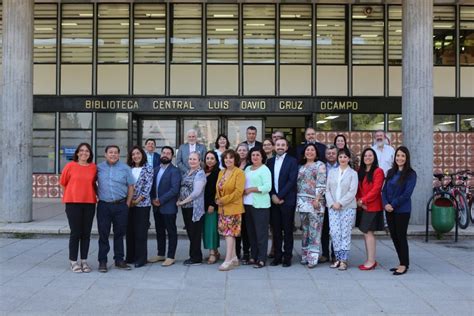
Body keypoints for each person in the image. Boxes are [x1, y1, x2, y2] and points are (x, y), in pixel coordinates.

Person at [96, 145, 135, 273]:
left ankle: (119, 260)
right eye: (110, 152)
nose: (113, 155)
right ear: (105, 154)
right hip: (104, 206)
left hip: (121, 205)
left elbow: (131, 186)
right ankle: (102, 261)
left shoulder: (125, 168)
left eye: (116, 153)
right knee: (103, 234)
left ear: (119, 155)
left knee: (119, 234)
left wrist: (128, 204)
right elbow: (91, 183)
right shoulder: (99, 168)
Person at [59, 143, 97, 273]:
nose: (84, 153)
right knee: (75, 233)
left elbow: (94, 184)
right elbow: (63, 183)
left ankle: (84, 261)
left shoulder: (93, 168)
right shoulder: (70, 166)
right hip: (73, 203)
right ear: (77, 153)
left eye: (87, 151)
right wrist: (71, 194)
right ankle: (73, 261)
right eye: (81, 150)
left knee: (86, 233)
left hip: (89, 203)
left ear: (90, 154)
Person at [382, 146, 417, 276]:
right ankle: (401, 261)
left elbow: (407, 194)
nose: (400, 158)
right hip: (389, 209)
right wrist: (385, 204)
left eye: (402, 156)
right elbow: (384, 190)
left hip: (402, 210)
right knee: (394, 236)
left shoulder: (411, 174)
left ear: (406, 158)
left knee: (401, 236)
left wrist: (393, 204)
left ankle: (404, 264)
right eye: (398, 155)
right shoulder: (391, 172)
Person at [326, 148, 358, 271]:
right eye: (340, 157)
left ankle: (343, 260)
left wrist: (340, 203)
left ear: (349, 159)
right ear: (337, 159)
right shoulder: (332, 172)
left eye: (345, 157)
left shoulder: (353, 173)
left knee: (345, 233)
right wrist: (332, 203)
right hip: (333, 207)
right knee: (334, 233)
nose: (342, 159)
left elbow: (352, 191)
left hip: (347, 207)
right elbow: (327, 189)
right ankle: (337, 259)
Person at [149, 146, 182, 267]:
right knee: (159, 231)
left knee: (171, 231)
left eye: (168, 153)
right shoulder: (156, 169)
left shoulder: (175, 171)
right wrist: (153, 199)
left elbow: (174, 189)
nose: (165, 155)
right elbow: (151, 186)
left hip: (168, 207)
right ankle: (161, 253)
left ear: (172, 156)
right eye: (164, 152)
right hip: (156, 206)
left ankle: (170, 256)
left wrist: (160, 200)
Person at [267, 138, 298, 267]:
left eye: (282, 145)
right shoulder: (270, 161)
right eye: (278, 145)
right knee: (276, 230)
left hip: (287, 200)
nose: (280, 147)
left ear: (286, 147)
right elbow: (268, 180)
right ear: (274, 147)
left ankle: (287, 257)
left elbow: (292, 181)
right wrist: (273, 195)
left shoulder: (292, 161)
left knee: (287, 230)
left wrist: (279, 196)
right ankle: (278, 256)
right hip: (274, 201)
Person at [296, 144, 326, 268]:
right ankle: (305, 255)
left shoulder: (320, 165)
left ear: (316, 153)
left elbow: (321, 183)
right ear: (304, 153)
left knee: (315, 230)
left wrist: (317, 199)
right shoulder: (301, 167)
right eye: (307, 150)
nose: (310, 152)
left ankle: (313, 258)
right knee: (305, 230)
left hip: (315, 202)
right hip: (302, 203)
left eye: (312, 150)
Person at [216, 149, 246, 271]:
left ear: (235, 160)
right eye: (226, 158)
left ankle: (228, 260)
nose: (228, 160)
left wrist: (224, 200)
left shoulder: (239, 173)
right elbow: (218, 188)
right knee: (227, 234)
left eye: (231, 158)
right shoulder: (221, 172)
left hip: (233, 208)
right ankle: (234, 258)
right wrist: (217, 199)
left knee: (229, 234)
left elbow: (239, 192)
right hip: (222, 208)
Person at [125, 146, 154, 268]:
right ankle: (130, 256)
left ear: (142, 154)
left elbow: (147, 187)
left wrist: (136, 201)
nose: (135, 156)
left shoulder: (148, 168)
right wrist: (129, 201)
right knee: (129, 231)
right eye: (133, 154)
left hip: (142, 204)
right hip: (128, 204)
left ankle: (141, 258)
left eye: (138, 153)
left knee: (140, 232)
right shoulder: (128, 168)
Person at [356, 148, 385, 271]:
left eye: (370, 155)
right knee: (365, 233)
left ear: (374, 157)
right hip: (362, 206)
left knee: (369, 233)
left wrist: (363, 200)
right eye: (365, 155)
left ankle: (371, 261)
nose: (368, 157)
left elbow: (376, 190)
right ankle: (370, 259)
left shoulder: (378, 171)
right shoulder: (360, 171)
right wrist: (359, 201)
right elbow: (356, 188)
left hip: (372, 206)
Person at [243, 147, 272, 268]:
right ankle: (253, 256)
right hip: (247, 204)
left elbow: (267, 187)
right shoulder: (247, 168)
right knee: (251, 233)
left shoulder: (265, 170)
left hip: (260, 205)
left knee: (261, 233)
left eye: (257, 155)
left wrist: (252, 189)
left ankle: (261, 258)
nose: (255, 157)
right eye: (253, 155)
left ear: (262, 157)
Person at [178, 152, 207, 266]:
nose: (192, 161)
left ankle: (196, 258)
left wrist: (183, 201)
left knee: (195, 233)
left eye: (194, 159)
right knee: (190, 232)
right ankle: (193, 255)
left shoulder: (200, 174)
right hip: (186, 208)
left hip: (194, 208)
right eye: (190, 159)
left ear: (199, 161)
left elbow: (196, 192)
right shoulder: (187, 172)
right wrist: (179, 199)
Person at [320, 144, 338, 263]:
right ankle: (325, 254)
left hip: (337, 203)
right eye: (328, 153)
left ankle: (335, 254)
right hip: (323, 202)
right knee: (324, 229)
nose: (331, 155)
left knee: (335, 230)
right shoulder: (321, 167)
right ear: (325, 155)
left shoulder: (342, 166)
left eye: (333, 153)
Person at [203, 151, 221, 264]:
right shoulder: (203, 172)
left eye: (212, 158)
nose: (209, 160)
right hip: (202, 205)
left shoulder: (218, 172)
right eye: (207, 158)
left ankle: (212, 254)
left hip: (212, 206)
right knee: (208, 229)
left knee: (211, 230)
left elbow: (217, 191)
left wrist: (212, 205)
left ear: (216, 160)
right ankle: (215, 251)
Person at [235, 143, 251, 263]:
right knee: (236, 228)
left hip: (246, 200)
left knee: (245, 228)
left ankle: (246, 252)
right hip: (234, 201)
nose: (242, 152)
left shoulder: (251, 166)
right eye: (240, 150)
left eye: (244, 150)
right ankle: (235, 252)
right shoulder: (232, 165)